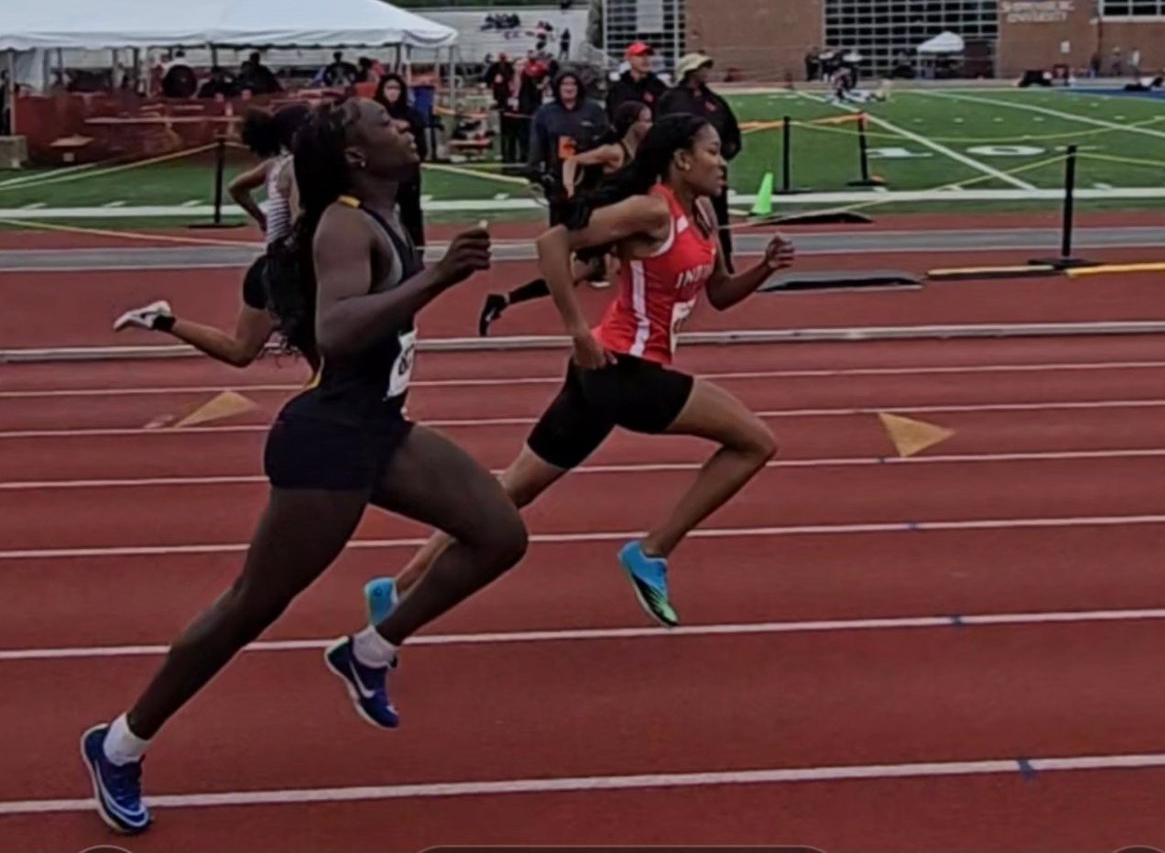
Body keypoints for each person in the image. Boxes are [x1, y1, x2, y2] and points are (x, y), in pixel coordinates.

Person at [81, 98, 527, 837]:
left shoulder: (379, 213)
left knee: (498, 533)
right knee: (250, 606)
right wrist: (440, 277)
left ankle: (369, 649)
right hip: (328, 442)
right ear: (354, 156)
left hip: (378, 428)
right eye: (383, 124)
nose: (403, 126)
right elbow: (337, 328)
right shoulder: (345, 222)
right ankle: (120, 743)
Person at [372, 113, 792, 632]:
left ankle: (395, 588)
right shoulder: (650, 211)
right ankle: (651, 551)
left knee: (509, 495)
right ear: (681, 160)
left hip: (604, 375)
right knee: (755, 442)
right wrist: (576, 330)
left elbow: (721, 297)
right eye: (712, 151)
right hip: (625, 371)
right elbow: (552, 244)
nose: (723, 161)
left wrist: (766, 268)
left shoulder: (703, 212)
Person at [111, 104, 309, 367]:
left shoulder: (275, 165)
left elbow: (236, 187)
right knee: (325, 345)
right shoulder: (296, 167)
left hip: (270, 266)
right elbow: (300, 224)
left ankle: (159, 319)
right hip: (284, 271)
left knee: (241, 352)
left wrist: (262, 219)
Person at [477, 100, 653, 335]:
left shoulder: (642, 153)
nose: (651, 125)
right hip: (601, 223)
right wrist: (569, 186)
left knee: (573, 279)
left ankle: (503, 299)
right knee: (577, 277)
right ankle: (626, 330)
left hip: (621, 223)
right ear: (632, 124)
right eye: (646, 120)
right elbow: (572, 160)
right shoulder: (614, 152)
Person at [659, 53, 742, 266]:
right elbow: (660, 134)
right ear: (689, 71)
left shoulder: (715, 101)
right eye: (700, 67)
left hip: (712, 172)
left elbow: (733, 136)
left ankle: (722, 262)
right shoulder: (670, 100)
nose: (705, 72)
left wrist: (720, 155)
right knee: (678, 216)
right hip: (679, 173)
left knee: (717, 217)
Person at [374, 73, 428, 250]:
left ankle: (416, 249)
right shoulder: (373, 115)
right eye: (389, 88)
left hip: (407, 173)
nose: (392, 93)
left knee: (411, 213)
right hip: (382, 173)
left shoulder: (412, 115)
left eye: (396, 88)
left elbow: (421, 146)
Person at [606, 41, 666, 119]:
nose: (645, 59)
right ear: (629, 59)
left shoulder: (658, 86)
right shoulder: (619, 88)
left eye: (648, 55)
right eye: (640, 55)